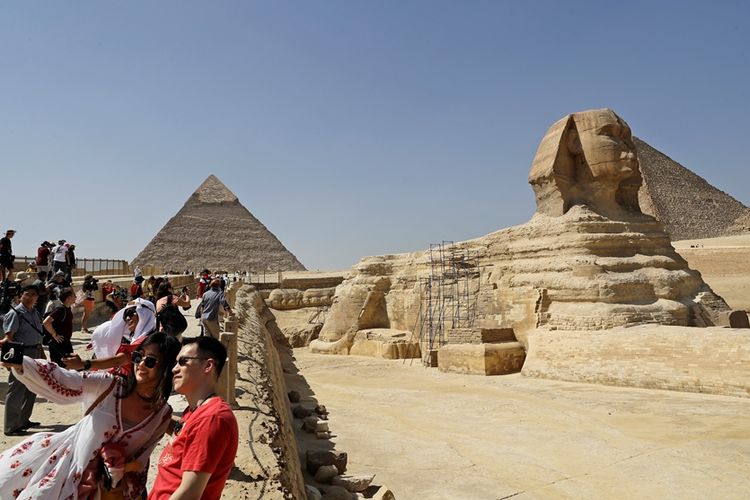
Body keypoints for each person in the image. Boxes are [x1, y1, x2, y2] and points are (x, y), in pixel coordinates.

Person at [0, 332, 181, 499]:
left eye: (150, 361)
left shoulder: (162, 415)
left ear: (167, 366)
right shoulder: (110, 386)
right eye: (137, 357)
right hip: (65, 467)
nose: (140, 364)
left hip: (103, 491)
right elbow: (64, 379)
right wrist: (20, 362)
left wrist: (118, 468)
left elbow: (142, 461)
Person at [149, 336, 238, 499]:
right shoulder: (195, 412)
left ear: (208, 366)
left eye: (183, 362)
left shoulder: (211, 418)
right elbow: (186, 433)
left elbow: (189, 494)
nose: (174, 369)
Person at [1, 284, 45, 436]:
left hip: (35, 351)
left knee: (31, 388)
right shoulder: (16, 313)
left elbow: (38, 335)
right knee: (16, 390)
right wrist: (9, 361)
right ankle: (10, 427)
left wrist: (42, 353)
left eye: (34, 294)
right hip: (21, 353)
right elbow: (9, 338)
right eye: (27, 294)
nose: (30, 297)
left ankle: (23, 420)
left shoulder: (34, 312)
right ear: (21, 296)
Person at [43, 287, 76, 367]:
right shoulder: (60, 309)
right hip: (58, 344)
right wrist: (54, 334)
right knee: (59, 367)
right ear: (68, 298)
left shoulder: (67, 309)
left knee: (70, 365)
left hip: (66, 343)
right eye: (74, 296)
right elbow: (46, 322)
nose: (76, 297)